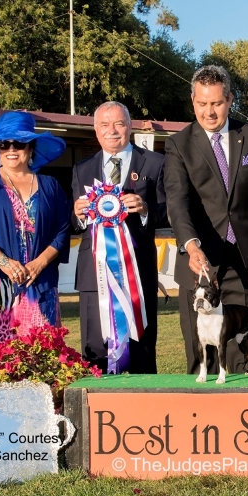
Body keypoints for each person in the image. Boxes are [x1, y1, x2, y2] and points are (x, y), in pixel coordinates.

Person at [163, 65, 248, 375]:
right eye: (202, 104)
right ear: (193, 101)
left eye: (217, 103)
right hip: (201, 264)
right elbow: (178, 201)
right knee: (201, 351)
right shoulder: (179, 144)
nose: (209, 112)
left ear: (230, 99)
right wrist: (191, 246)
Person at [0, 111, 71, 349]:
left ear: (31, 148)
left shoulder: (51, 185)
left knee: (42, 358)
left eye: (19, 143)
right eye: (4, 144)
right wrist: (2, 260)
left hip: (39, 283)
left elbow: (63, 230)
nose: (11, 149)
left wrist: (39, 264)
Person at [71, 101, 166, 374]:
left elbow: (170, 212)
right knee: (95, 353)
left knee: (143, 351)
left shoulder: (156, 162)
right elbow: (73, 224)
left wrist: (146, 209)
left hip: (138, 272)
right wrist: (78, 215)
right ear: (95, 130)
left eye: (119, 124)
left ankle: (145, 414)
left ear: (130, 126)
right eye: (104, 125)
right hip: (94, 275)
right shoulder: (81, 168)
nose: (112, 131)